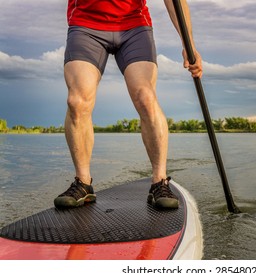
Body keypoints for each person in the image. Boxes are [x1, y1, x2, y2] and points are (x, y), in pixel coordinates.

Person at [54, 0, 203, 210]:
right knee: (77, 102)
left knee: (145, 97)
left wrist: (189, 45)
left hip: (134, 26)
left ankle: (159, 181)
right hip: (86, 25)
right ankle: (83, 183)